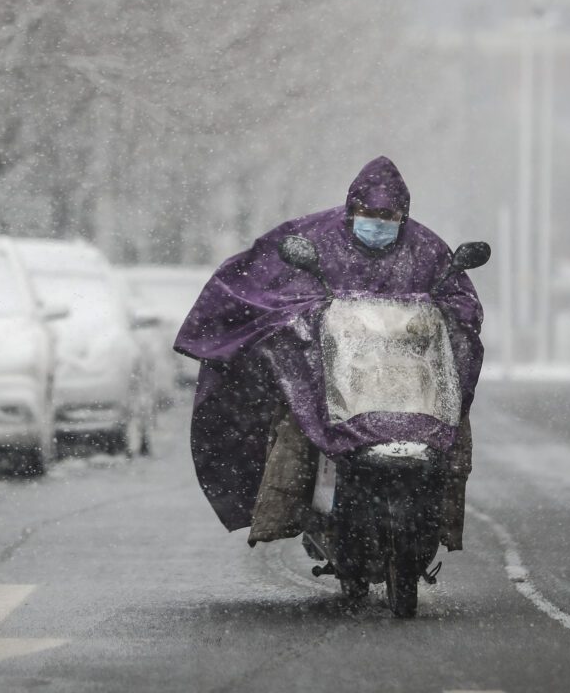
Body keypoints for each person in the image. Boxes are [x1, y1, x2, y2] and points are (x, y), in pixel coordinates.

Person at [173, 156, 484, 549]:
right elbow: (267, 287)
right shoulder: (316, 238)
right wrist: (301, 315)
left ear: (403, 216)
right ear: (352, 207)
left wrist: (448, 313)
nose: (377, 221)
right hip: (334, 374)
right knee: (297, 426)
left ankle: (438, 523)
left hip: (409, 377)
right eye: (368, 212)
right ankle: (284, 511)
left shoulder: (427, 250)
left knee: (453, 431)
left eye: (388, 215)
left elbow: (460, 300)